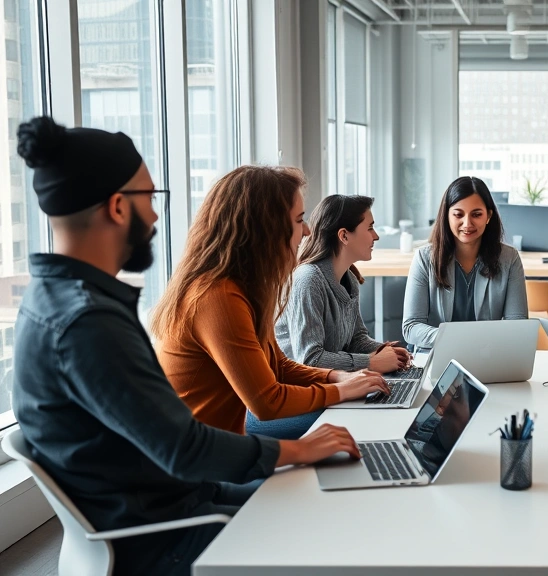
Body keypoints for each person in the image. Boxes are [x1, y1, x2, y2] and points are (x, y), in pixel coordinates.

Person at [11, 116, 362, 576]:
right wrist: (300, 449)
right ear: (118, 207)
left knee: (327, 501)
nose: (156, 215)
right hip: (162, 533)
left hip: (176, 498)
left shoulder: (61, 302)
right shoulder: (87, 322)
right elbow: (186, 449)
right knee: (334, 533)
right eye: (150, 198)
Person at [151, 166, 388, 440]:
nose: (309, 231)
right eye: (299, 220)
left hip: (224, 448)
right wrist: (341, 390)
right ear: (266, 229)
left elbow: (280, 367)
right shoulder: (216, 296)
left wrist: (337, 377)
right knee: (350, 425)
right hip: (199, 467)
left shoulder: (245, 289)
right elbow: (267, 402)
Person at [277, 194, 412, 373]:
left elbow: (356, 339)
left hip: (333, 385)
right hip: (302, 391)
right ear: (344, 236)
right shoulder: (308, 280)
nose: (376, 236)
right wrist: (371, 362)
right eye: (370, 228)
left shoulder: (350, 279)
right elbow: (310, 359)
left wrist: (385, 352)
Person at [402, 176, 528, 349]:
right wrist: (457, 340)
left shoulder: (509, 258)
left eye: (476, 214)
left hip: (488, 355)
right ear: (447, 215)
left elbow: (518, 325)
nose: (467, 223)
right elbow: (411, 327)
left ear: (488, 216)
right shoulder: (424, 258)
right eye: (458, 214)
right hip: (436, 353)